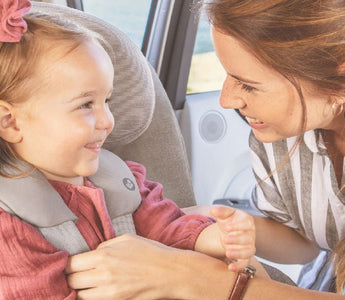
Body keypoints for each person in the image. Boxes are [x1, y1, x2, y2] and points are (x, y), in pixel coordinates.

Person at [65, 0, 345, 299]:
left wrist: (187, 276)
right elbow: (304, 240)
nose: (227, 100)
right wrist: (197, 221)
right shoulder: (284, 134)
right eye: (227, 75)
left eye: (248, 85)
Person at [0, 1, 257, 299]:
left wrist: (218, 237)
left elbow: (169, 228)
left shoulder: (121, 180)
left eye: (106, 101)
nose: (107, 121)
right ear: (10, 122)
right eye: (85, 105)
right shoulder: (10, 225)